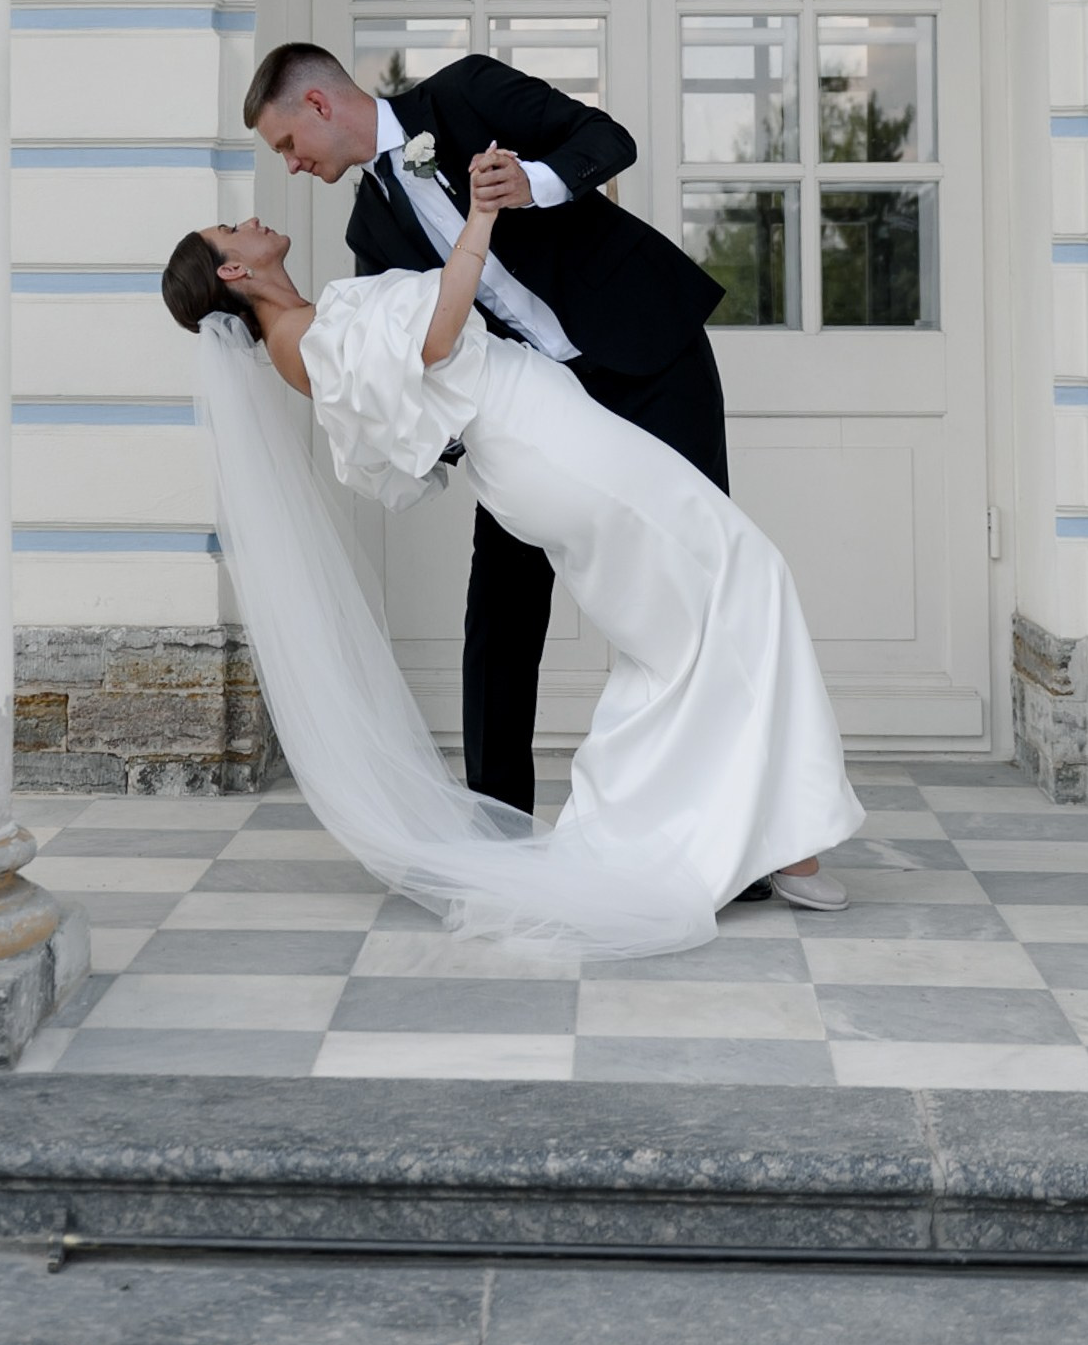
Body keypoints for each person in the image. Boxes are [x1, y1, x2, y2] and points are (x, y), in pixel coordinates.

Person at [161, 188, 860, 956]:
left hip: (543, 436)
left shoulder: (308, 319)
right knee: (739, 581)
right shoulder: (300, 336)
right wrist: (481, 220)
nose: (252, 219)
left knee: (695, 623)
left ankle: (773, 838)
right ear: (232, 269)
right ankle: (658, 844)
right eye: (233, 229)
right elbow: (432, 338)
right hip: (545, 448)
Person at [242, 42, 725, 818]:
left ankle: (728, 821)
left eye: (288, 144)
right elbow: (415, 366)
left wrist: (532, 182)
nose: (292, 165)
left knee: (699, 575)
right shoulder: (370, 233)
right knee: (500, 608)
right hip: (535, 419)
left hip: (649, 356)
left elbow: (608, 138)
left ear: (319, 106)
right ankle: (498, 826)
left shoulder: (464, 94)